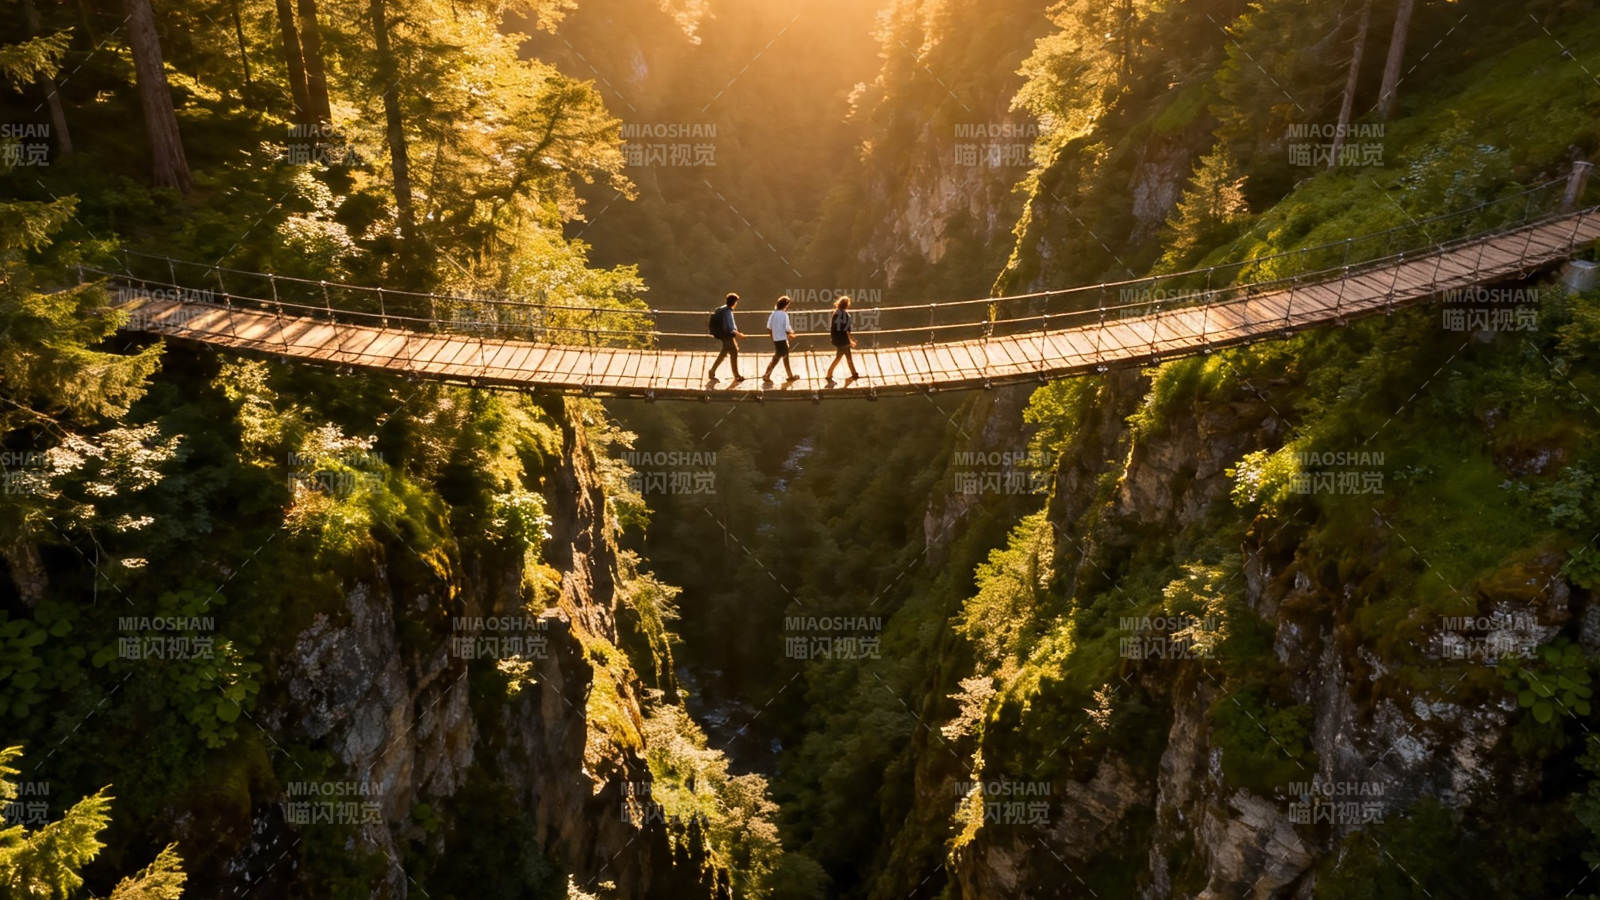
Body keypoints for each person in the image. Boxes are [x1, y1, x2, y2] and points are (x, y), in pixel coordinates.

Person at [708, 292, 745, 383]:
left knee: (724, 353)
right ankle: (736, 375)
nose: (736, 304)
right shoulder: (728, 312)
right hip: (727, 335)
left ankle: (712, 371)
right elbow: (730, 327)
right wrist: (739, 334)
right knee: (734, 352)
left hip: (722, 334)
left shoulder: (722, 309)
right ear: (734, 302)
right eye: (736, 302)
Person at [763, 296, 799, 384]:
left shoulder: (773, 314)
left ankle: (768, 374)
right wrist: (791, 333)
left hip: (776, 339)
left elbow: (769, 327)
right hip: (782, 339)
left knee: (778, 357)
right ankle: (768, 375)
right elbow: (787, 328)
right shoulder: (784, 315)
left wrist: (773, 336)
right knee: (782, 358)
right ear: (785, 305)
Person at [826, 295, 860, 383]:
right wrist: (851, 340)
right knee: (839, 357)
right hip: (843, 340)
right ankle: (829, 374)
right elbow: (847, 330)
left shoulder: (836, 313)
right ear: (847, 305)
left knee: (847, 356)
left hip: (837, 339)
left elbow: (835, 328)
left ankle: (854, 373)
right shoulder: (846, 315)